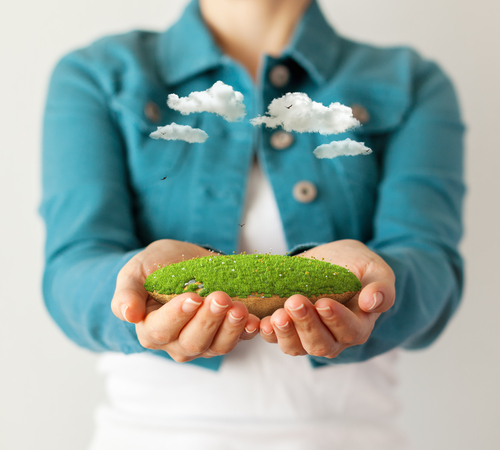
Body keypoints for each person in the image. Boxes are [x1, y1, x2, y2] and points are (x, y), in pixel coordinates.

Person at [40, 0, 465, 448]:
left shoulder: (409, 81)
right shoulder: (99, 74)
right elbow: (72, 267)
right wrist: (130, 289)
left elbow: (433, 267)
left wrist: (378, 287)